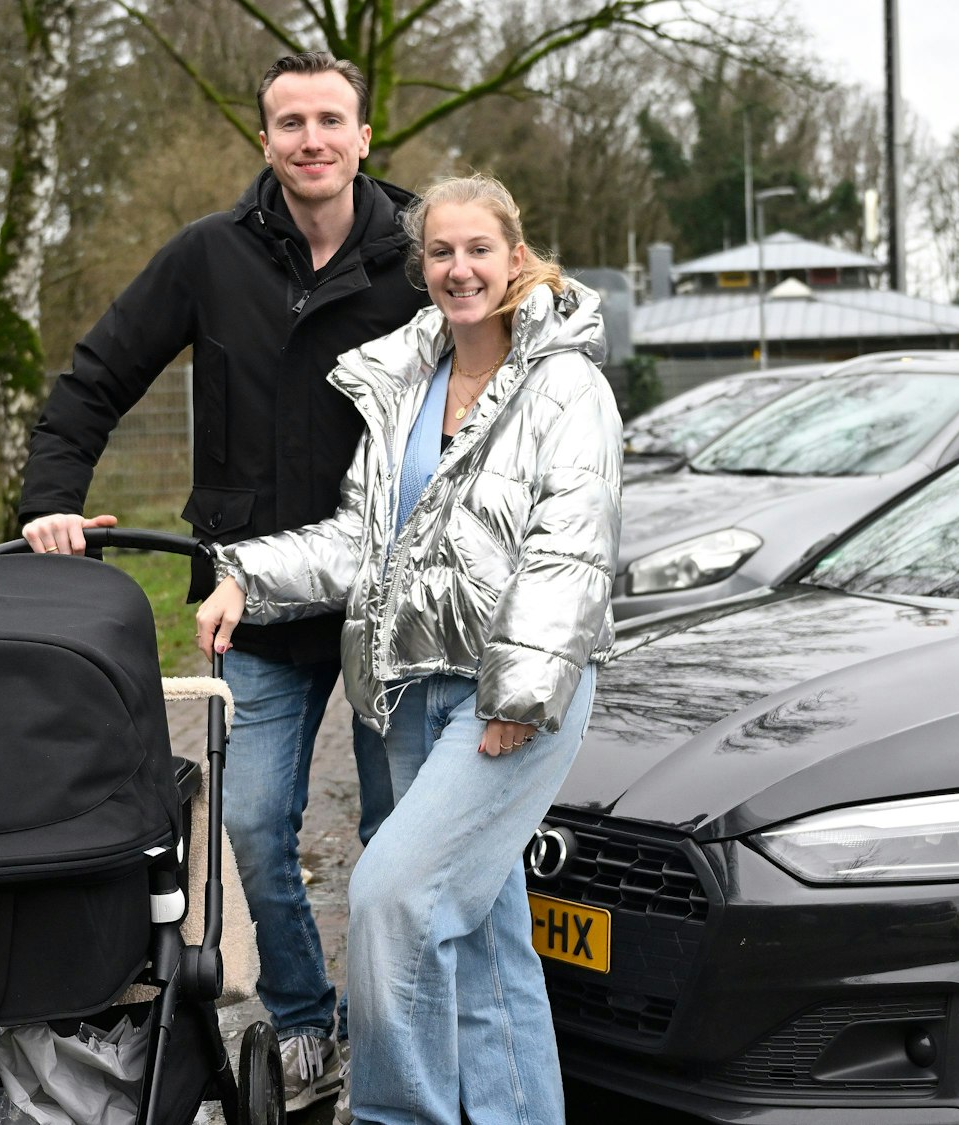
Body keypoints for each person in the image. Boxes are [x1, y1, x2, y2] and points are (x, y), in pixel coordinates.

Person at [14, 51, 428, 1114]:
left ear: (363, 136)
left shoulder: (420, 252)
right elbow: (96, 374)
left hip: (390, 597)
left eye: (328, 119)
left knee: (397, 845)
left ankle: (392, 1036)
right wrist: (47, 499)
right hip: (246, 593)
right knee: (245, 830)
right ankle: (301, 1025)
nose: (310, 140)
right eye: (288, 122)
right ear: (264, 140)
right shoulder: (209, 256)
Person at [196, 174, 621, 1125]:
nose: (459, 269)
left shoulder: (565, 386)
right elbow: (360, 539)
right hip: (411, 689)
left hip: (511, 697)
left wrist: (516, 694)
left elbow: (573, 549)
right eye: (440, 252)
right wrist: (245, 577)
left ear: (516, 257)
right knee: (485, 934)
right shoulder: (409, 383)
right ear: (418, 265)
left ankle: (395, 1116)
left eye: (479, 249)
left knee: (391, 896)